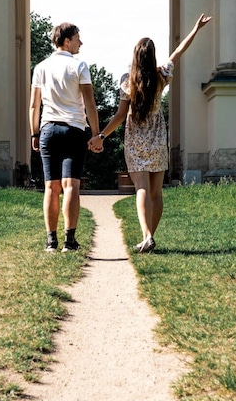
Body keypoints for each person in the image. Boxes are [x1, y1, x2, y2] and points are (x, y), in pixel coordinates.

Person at [93, 14, 212, 253]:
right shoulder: (161, 75)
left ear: (135, 56)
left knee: (141, 189)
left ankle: (147, 235)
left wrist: (101, 135)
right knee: (157, 193)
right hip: (157, 138)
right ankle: (150, 237)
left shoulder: (128, 81)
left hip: (136, 140)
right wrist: (195, 29)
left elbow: (119, 115)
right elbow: (179, 51)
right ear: (152, 56)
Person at [30, 23, 102, 253]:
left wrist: (34, 132)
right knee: (71, 185)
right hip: (73, 130)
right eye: (78, 38)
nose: (81, 43)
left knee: (51, 188)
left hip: (48, 130)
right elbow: (90, 103)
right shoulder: (79, 65)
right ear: (67, 41)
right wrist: (96, 134)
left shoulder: (41, 67)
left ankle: (51, 242)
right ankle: (69, 242)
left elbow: (34, 105)